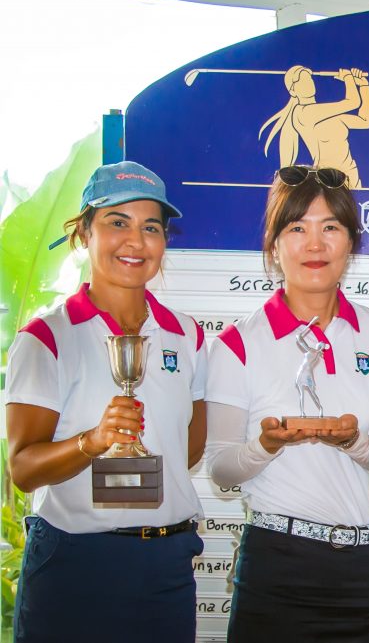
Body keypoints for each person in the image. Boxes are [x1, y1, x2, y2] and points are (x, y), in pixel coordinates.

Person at [6, 161, 207, 642]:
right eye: (117, 222)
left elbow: (190, 449)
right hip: (77, 563)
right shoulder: (46, 338)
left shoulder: (188, 333)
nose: (135, 242)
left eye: (151, 227)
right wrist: (91, 443)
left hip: (166, 564)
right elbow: (24, 469)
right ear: (84, 234)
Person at [205, 165, 369, 642]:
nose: (314, 245)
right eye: (297, 228)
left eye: (330, 228)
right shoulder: (237, 343)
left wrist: (355, 442)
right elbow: (221, 470)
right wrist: (267, 445)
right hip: (278, 567)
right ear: (275, 244)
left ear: (351, 243)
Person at [259, 66, 369, 188]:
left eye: (309, 79)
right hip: (327, 182)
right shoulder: (302, 113)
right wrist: (348, 78)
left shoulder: (329, 115)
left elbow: (364, 121)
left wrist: (364, 86)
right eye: (302, 81)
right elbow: (352, 102)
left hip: (351, 176)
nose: (308, 83)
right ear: (292, 91)